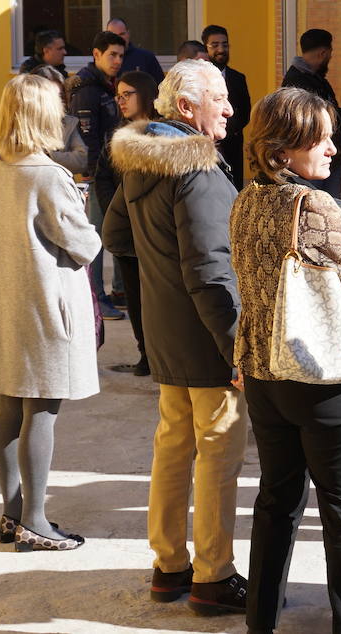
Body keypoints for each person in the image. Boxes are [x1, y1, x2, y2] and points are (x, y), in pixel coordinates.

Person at [229, 86, 341, 634]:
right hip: (324, 379)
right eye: (320, 138)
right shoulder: (310, 204)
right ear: (282, 149)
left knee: (276, 501)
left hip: (266, 376)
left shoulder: (246, 198)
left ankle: (260, 622)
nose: (332, 148)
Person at [103, 60, 248, 617]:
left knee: (173, 446)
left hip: (165, 332)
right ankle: (213, 577)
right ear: (187, 108)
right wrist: (238, 346)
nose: (231, 109)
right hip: (206, 338)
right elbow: (212, 271)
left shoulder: (144, 160)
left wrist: (162, 271)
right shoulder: (199, 170)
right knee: (217, 454)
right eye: (220, 98)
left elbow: (117, 233)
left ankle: (168, 568)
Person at [0, 74, 101, 551]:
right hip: (47, 306)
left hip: (3, 302)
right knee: (41, 411)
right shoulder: (46, 175)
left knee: (9, 406)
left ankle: (12, 513)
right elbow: (85, 245)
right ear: (42, 114)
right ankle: (36, 520)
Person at [94, 70, 160, 376]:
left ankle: (161, 355)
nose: (120, 101)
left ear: (146, 94)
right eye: (118, 95)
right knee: (134, 297)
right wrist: (118, 211)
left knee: (159, 297)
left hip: (155, 232)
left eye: (127, 94)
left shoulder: (163, 134)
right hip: (128, 233)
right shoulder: (116, 135)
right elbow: (103, 178)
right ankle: (144, 353)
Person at [68, 31, 127, 320]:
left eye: (120, 55)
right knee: (96, 239)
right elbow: (85, 138)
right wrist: (88, 178)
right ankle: (96, 299)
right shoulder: (88, 89)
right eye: (112, 55)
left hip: (107, 173)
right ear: (96, 54)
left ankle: (115, 292)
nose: (117, 61)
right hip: (92, 176)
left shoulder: (104, 85)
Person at [281, 28, 341, 198]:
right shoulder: (298, 81)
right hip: (312, 159)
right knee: (316, 206)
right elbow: (318, 117)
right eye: (330, 53)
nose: (330, 58)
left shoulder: (313, 78)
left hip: (327, 160)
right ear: (323, 53)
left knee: (333, 209)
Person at [203, 25, 252, 190]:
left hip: (232, 145)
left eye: (225, 44)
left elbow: (245, 112)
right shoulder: (200, 79)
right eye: (215, 45)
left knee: (234, 189)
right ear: (205, 47)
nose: (221, 49)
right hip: (206, 146)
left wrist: (227, 131)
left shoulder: (238, 78)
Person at [31, 65, 87, 175]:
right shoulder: (22, 123)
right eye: (50, 95)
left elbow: (82, 160)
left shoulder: (67, 122)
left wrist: (48, 156)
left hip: (57, 187)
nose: (56, 100)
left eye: (60, 95)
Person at [107, 18, 164, 82]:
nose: (118, 38)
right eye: (114, 35)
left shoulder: (147, 58)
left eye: (122, 34)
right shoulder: (102, 60)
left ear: (128, 34)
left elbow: (162, 88)